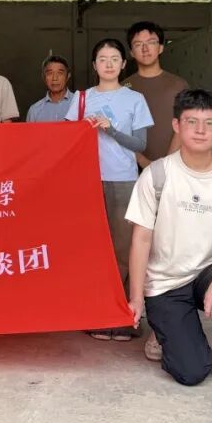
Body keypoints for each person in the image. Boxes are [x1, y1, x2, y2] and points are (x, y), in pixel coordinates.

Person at [125, 88, 212, 393]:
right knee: (191, 371)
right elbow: (141, 239)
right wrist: (136, 298)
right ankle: (163, 330)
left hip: (208, 273)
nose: (201, 130)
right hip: (164, 283)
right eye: (191, 121)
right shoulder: (157, 175)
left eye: (209, 123)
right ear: (177, 125)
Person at [65, 38, 153, 341]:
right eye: (102, 59)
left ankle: (125, 316)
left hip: (124, 179)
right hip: (88, 180)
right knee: (92, 249)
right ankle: (97, 314)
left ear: (123, 63)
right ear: (94, 65)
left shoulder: (135, 99)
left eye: (115, 59)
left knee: (123, 249)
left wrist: (110, 129)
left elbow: (140, 144)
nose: (109, 64)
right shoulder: (81, 99)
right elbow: (66, 139)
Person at [124, 21, 188, 168]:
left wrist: (168, 162)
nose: (145, 49)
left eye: (151, 42)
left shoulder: (178, 85)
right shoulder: (124, 88)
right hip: (134, 167)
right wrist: (142, 160)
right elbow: (121, 130)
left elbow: (185, 123)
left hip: (175, 165)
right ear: (131, 52)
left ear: (160, 48)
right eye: (138, 44)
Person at [26, 55, 73, 123]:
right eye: (50, 73)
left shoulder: (79, 104)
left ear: (68, 76)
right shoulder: (34, 111)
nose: (55, 78)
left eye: (60, 73)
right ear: (43, 77)